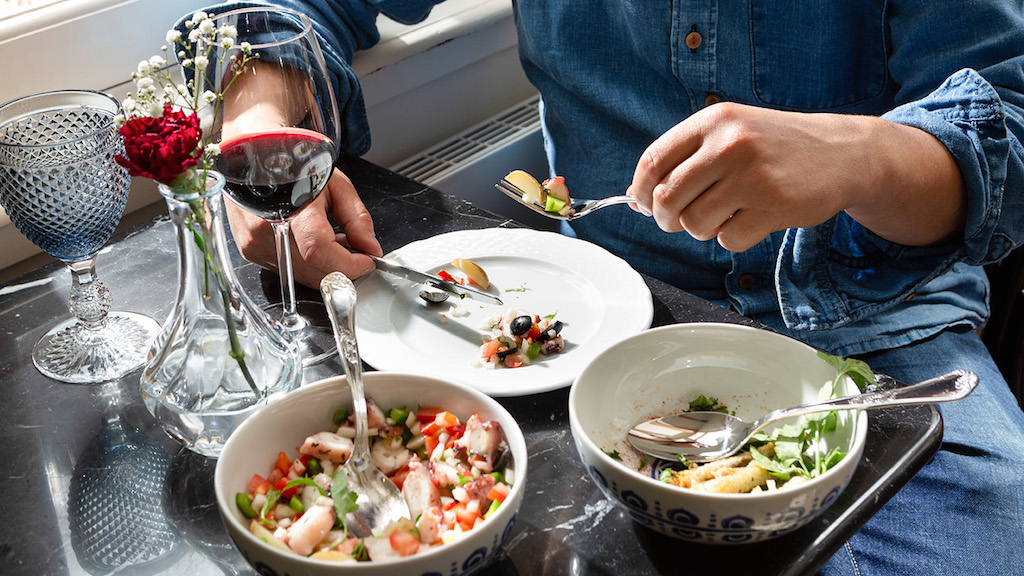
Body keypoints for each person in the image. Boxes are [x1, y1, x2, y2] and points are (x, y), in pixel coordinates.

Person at [200, 1, 1024, 573]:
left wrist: (861, 157)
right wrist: (265, 131)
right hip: (603, 328)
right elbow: (285, 8)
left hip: (881, 336)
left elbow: (1011, 128)